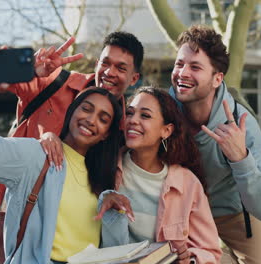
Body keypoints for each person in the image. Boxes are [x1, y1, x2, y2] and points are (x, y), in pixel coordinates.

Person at [0, 31, 144, 263]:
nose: (109, 72)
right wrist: (27, 68)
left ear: (134, 78)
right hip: (7, 191)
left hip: (63, 218)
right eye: (105, 63)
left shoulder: (122, 128)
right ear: (97, 63)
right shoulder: (57, 80)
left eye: (121, 67)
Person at [169, 25, 261, 264]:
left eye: (195, 67)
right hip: (181, 213)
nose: (183, 73)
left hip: (233, 213)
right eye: (179, 64)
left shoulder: (243, 123)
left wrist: (241, 159)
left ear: (217, 78)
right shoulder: (163, 110)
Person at [94, 87, 222, 264]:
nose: (133, 120)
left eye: (145, 116)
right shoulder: (105, 165)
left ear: (166, 130)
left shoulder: (187, 183)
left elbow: (210, 251)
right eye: (130, 113)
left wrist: (188, 260)